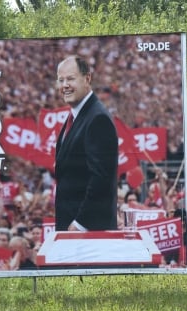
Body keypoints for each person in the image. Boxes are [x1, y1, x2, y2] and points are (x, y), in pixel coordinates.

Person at [54, 55, 118, 231]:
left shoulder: (97, 119)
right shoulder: (76, 117)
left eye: (70, 79)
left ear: (87, 78)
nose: (64, 85)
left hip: (87, 234)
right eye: (61, 80)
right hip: (73, 231)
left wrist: (80, 224)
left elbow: (101, 179)